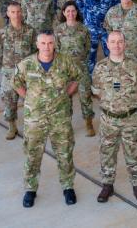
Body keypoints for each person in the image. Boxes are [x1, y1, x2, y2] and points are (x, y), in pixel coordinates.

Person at [14, 31, 87, 208]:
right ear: (37, 45)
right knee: (32, 155)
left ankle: (68, 186)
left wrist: (67, 94)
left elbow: (78, 77)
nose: (47, 47)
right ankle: (30, 189)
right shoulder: (27, 64)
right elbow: (16, 83)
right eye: (43, 43)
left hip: (59, 118)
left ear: (55, 44)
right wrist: (30, 99)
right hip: (35, 120)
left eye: (50, 43)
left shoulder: (65, 61)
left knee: (64, 153)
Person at [92, 31, 137, 204]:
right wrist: (112, 105)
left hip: (130, 119)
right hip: (108, 120)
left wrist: (127, 105)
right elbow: (97, 91)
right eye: (113, 42)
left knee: (134, 153)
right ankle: (107, 185)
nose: (117, 45)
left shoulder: (136, 66)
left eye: (120, 42)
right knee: (107, 153)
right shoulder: (100, 67)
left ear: (125, 44)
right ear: (107, 44)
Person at [103, 0, 137, 136]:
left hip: (136, 58)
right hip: (117, 59)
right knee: (118, 89)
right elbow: (109, 32)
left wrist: (135, 46)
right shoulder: (111, 13)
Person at [0, 2, 36, 140]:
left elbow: (35, 52)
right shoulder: (2, 33)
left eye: (18, 12)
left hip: (27, 73)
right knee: (9, 100)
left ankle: (31, 127)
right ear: (8, 14)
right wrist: (6, 65)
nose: (16, 15)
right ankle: (12, 126)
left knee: (30, 101)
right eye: (13, 12)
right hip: (9, 73)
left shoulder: (30, 31)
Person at [54, 2, 94, 137]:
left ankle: (88, 123)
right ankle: (67, 125)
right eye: (68, 11)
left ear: (77, 12)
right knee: (66, 98)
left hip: (81, 68)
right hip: (65, 70)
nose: (71, 14)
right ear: (64, 13)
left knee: (85, 96)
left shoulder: (84, 29)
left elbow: (88, 48)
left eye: (73, 11)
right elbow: (56, 49)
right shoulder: (58, 30)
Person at [75, 0, 120, 73]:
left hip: (107, 29)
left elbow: (117, 6)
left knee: (112, 55)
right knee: (89, 58)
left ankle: (112, 79)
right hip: (90, 30)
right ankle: (91, 82)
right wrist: (87, 17)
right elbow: (79, 6)